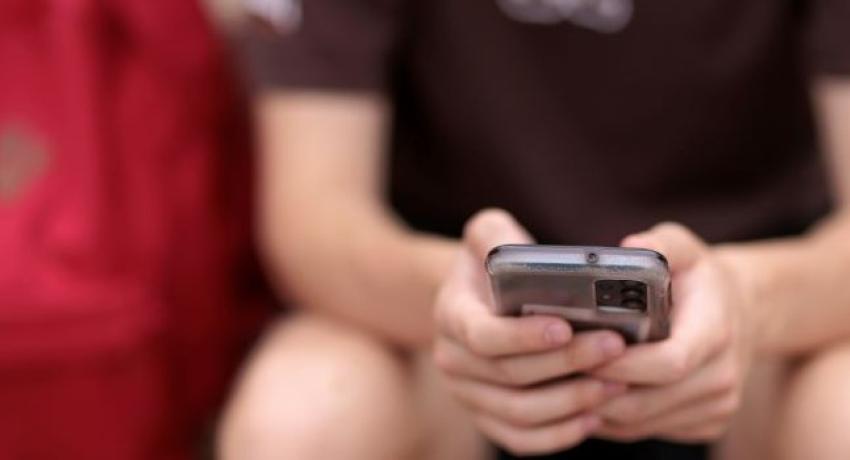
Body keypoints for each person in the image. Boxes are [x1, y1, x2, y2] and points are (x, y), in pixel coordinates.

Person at [218, 1, 850, 459]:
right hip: (430, 329)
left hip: (763, 332)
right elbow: (311, 220)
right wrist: (453, 300)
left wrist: (750, 302)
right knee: (301, 417)